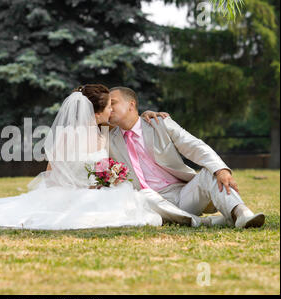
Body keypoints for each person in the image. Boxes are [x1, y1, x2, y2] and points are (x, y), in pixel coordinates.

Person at [0, 84, 208, 230]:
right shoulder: (73, 135)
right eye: (108, 106)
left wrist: (148, 114)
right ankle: (190, 219)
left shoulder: (104, 134)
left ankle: (189, 218)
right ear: (97, 110)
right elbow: (56, 169)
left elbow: (131, 129)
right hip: (71, 192)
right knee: (132, 209)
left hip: (96, 188)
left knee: (137, 205)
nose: (113, 110)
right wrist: (94, 183)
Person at [108, 86, 265, 229]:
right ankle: (205, 222)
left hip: (183, 195)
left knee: (210, 172)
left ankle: (241, 212)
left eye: (112, 103)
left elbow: (193, 145)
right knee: (142, 195)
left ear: (131, 105)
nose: (108, 108)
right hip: (150, 203)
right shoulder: (108, 139)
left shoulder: (160, 123)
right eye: (106, 105)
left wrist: (221, 169)